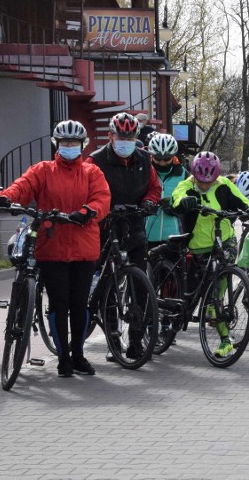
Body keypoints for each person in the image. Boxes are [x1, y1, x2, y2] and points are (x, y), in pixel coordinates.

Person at [0, 120, 111, 377]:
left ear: (82, 145)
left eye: (74, 143)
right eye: (65, 142)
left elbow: (102, 198)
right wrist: (7, 197)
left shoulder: (92, 173)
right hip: (52, 245)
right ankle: (63, 359)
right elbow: (23, 186)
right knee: (59, 303)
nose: (70, 146)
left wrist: (86, 212)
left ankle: (78, 355)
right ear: (57, 144)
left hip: (83, 247)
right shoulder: (43, 170)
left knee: (80, 305)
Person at [172, 151, 249, 357]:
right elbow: (176, 199)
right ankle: (171, 322)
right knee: (194, 292)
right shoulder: (186, 185)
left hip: (225, 239)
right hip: (198, 245)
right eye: (201, 181)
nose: (205, 185)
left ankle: (224, 339)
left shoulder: (224, 184)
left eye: (210, 182)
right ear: (194, 174)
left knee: (223, 275)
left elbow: (242, 201)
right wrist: (184, 202)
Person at [86, 112, 162, 361]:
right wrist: (102, 209)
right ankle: (113, 339)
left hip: (135, 225)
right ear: (110, 136)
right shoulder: (96, 161)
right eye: (121, 137)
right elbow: (87, 190)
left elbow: (154, 187)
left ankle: (137, 342)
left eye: (131, 137)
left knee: (140, 285)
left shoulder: (144, 159)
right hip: (106, 226)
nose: (126, 141)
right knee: (109, 282)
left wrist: (150, 202)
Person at [145, 133, 188, 248]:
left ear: (173, 156)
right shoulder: (144, 172)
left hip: (175, 236)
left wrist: (179, 207)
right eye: (158, 159)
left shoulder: (183, 174)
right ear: (151, 156)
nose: (162, 163)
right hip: (148, 235)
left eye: (167, 159)